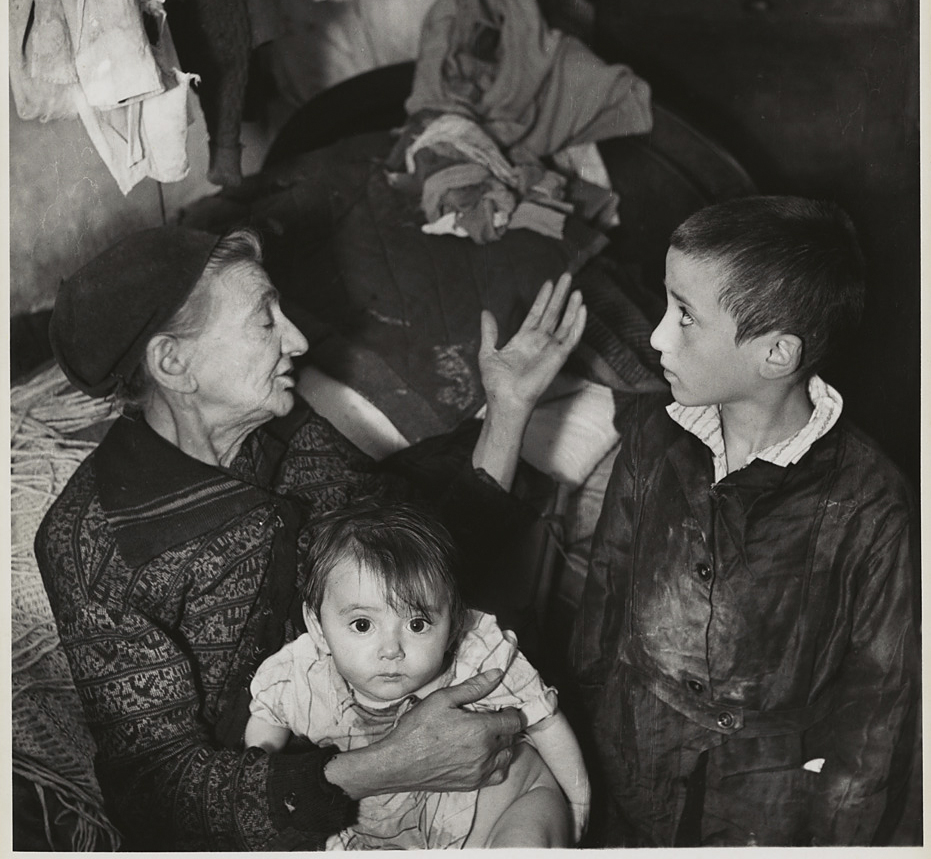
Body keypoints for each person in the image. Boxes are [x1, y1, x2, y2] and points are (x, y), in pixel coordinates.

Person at [34, 224, 587, 850]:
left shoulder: (283, 428)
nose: (296, 340)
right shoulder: (94, 542)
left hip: (376, 724)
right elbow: (160, 794)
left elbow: (416, 563)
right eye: (265, 321)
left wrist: (508, 408)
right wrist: (389, 765)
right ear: (173, 363)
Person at [573, 196, 919, 847]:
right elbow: (605, 593)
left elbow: (881, 704)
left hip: (766, 807)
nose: (656, 337)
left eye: (684, 317)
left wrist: (840, 832)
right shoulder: (653, 438)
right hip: (629, 761)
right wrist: (590, 733)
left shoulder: (870, 503)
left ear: (776, 354)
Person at [245, 500, 591, 848]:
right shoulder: (300, 675)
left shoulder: (478, 661)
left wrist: (577, 805)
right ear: (318, 628)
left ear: (454, 625)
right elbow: (263, 736)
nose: (391, 649)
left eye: (417, 623)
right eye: (363, 624)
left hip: (505, 805)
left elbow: (547, 721)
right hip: (390, 836)